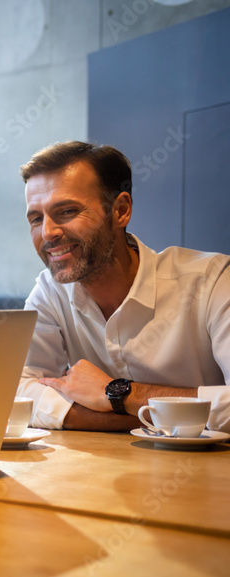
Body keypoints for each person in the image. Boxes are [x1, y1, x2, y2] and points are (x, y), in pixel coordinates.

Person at [16, 140, 230, 432]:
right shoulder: (50, 292)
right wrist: (132, 416)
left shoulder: (212, 280)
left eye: (67, 211)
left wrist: (120, 393)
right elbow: (20, 391)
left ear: (120, 211)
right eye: (36, 218)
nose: (48, 232)